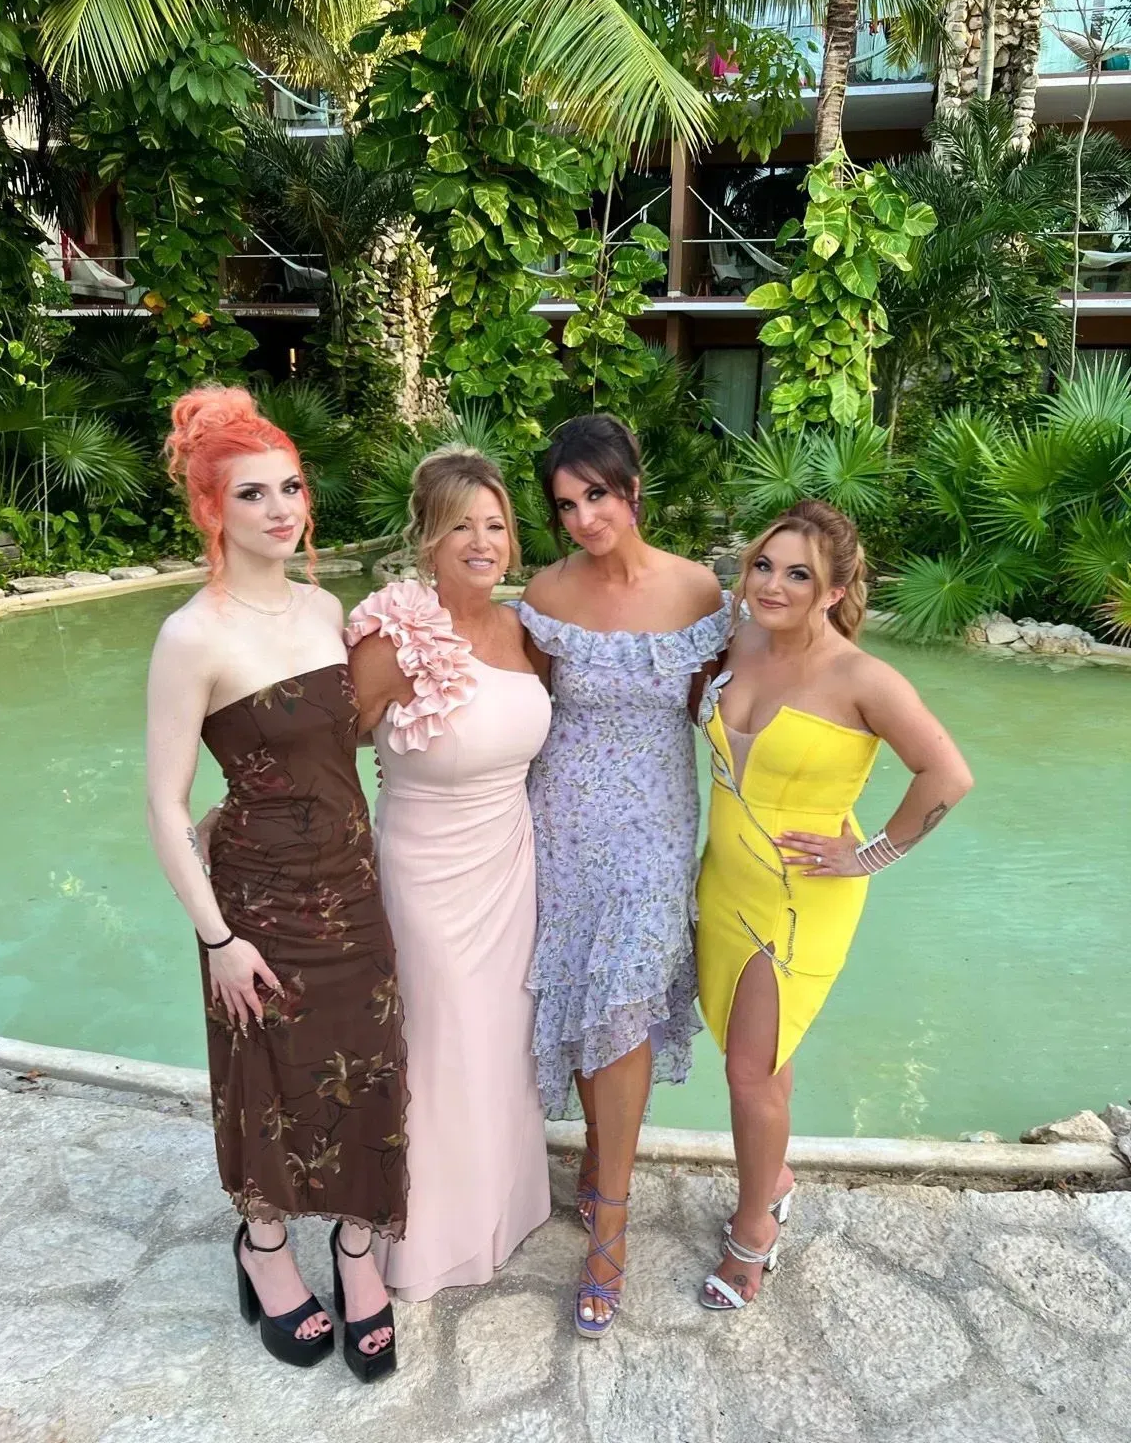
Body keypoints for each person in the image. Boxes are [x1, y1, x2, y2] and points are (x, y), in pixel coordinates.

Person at [146, 385, 408, 1384]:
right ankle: (262, 1247)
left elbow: (325, 750)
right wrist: (218, 937)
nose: (281, 508)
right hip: (256, 907)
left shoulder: (326, 607)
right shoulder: (192, 636)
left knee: (366, 1069)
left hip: (355, 880)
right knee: (272, 1081)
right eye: (252, 494)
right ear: (213, 510)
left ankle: (352, 1245)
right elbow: (166, 806)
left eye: (290, 486)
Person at [694, 499, 974, 1313]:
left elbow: (947, 775)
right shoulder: (735, 640)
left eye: (799, 575)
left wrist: (869, 855)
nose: (773, 585)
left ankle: (755, 1233)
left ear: (834, 588)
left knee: (751, 1072)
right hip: (724, 882)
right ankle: (772, 1175)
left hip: (800, 899)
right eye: (764, 566)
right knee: (756, 1066)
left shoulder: (862, 678)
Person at [517, 413, 730, 1338]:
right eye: (566, 505)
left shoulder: (697, 589)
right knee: (580, 1008)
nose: (583, 519)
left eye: (596, 496)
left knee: (625, 1008)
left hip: (653, 831)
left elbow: (721, 708)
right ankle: (601, 1173)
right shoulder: (547, 592)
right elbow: (517, 709)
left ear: (632, 489)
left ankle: (610, 1228)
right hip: (559, 822)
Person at [345, 446, 552, 1302]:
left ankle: (506, 1210)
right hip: (425, 876)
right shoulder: (392, 637)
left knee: (502, 1043)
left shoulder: (528, 630)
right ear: (426, 536)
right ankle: (424, 1240)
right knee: (437, 1047)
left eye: (496, 524)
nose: (482, 540)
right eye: (461, 523)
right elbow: (331, 748)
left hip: (513, 865)